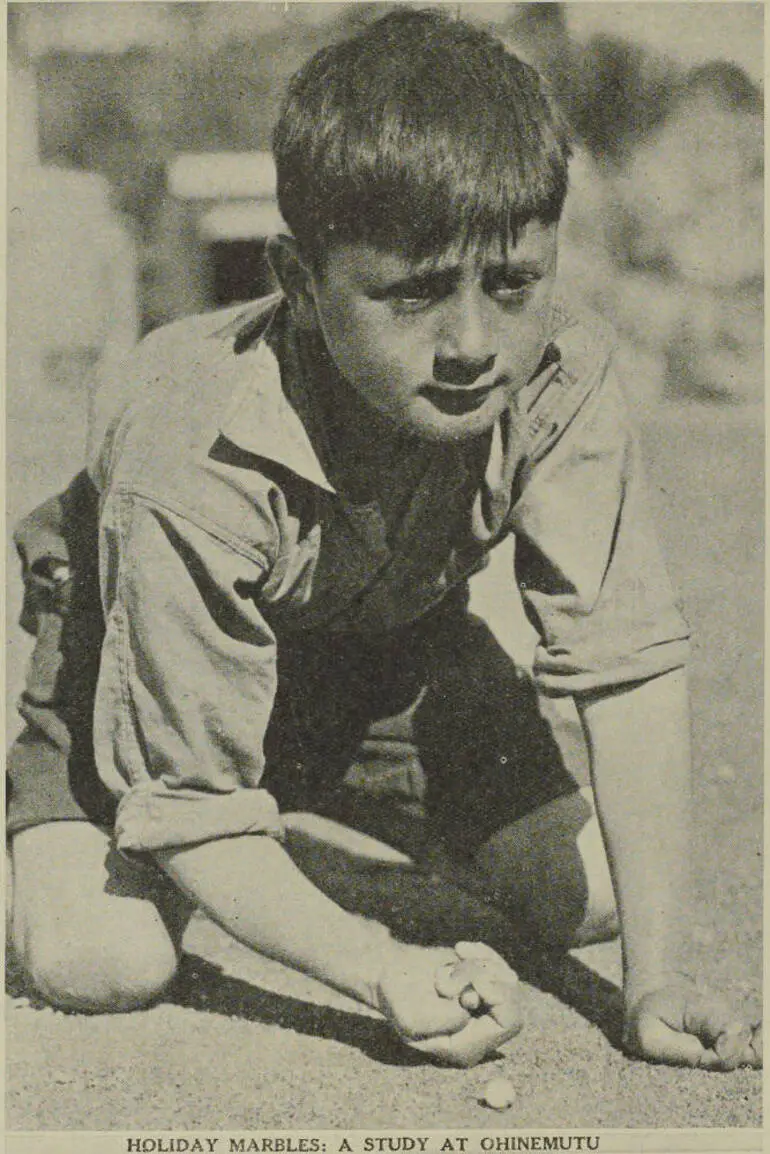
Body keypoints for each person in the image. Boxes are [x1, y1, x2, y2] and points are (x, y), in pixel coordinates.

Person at [6, 9, 761, 1071]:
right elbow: (189, 793)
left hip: (388, 649)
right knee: (103, 960)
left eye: (510, 282)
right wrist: (376, 967)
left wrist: (658, 975)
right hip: (137, 659)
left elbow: (625, 663)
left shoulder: (561, 378)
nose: (468, 344)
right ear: (300, 280)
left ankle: (280, 856)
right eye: (410, 291)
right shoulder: (190, 445)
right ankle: (173, 860)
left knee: (586, 892)